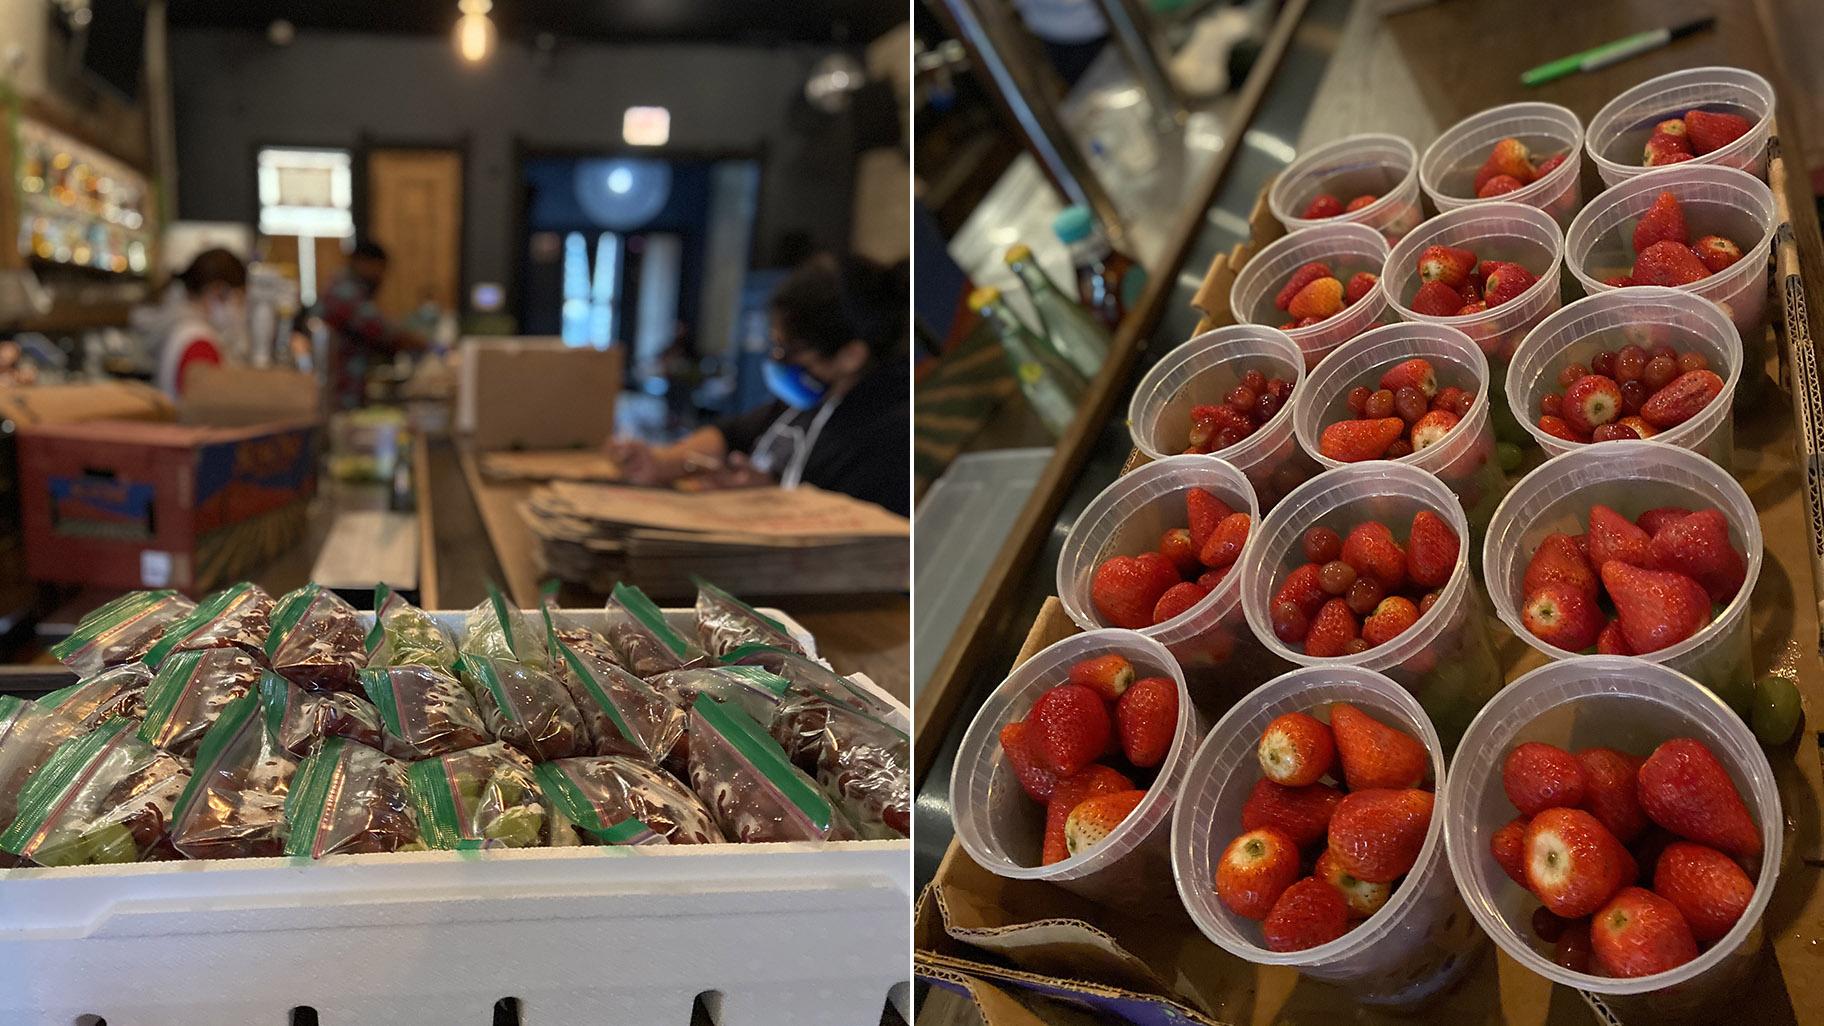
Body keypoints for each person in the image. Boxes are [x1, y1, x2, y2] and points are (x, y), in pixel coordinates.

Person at [609, 254, 911, 516]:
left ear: (850, 356)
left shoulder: (888, 438)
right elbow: (731, 434)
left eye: (788, 350)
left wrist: (766, 501)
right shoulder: (811, 397)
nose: (776, 360)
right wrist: (660, 462)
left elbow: (854, 537)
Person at [314, 240, 427, 407]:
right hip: (338, 392)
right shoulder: (344, 291)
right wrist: (424, 344)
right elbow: (380, 330)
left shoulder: (348, 288)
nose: (381, 276)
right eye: (379, 268)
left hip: (343, 389)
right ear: (363, 262)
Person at [133, 248, 248, 398]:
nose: (240, 307)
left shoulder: (181, 326)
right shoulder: (200, 342)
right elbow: (209, 407)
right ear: (218, 291)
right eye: (240, 297)